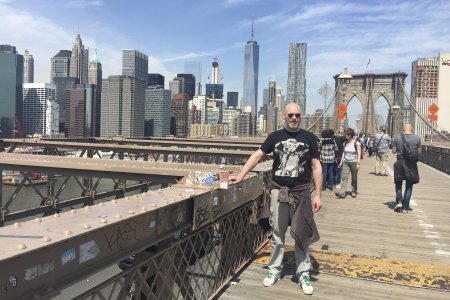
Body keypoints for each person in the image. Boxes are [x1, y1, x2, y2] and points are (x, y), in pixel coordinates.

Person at [229, 103, 322, 295]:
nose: (294, 118)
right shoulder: (275, 137)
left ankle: (303, 272)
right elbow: (257, 156)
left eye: (297, 115)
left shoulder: (310, 138)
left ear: (300, 116)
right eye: (291, 115)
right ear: (284, 116)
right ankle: (274, 270)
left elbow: (316, 166)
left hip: (302, 191)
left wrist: (318, 195)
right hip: (278, 191)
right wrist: (240, 176)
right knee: (277, 234)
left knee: (302, 234)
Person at [392, 124, 421, 213]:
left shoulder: (397, 138)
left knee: (398, 183)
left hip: (400, 162)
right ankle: (405, 208)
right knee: (409, 186)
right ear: (411, 129)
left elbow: (393, 151)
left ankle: (399, 202)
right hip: (411, 164)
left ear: (403, 129)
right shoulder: (417, 138)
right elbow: (419, 152)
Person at [335, 128, 361, 198]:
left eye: (345, 134)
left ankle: (353, 191)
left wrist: (358, 163)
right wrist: (341, 162)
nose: (344, 135)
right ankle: (342, 192)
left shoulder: (357, 143)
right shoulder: (345, 143)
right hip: (346, 162)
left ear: (349, 135)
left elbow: (359, 153)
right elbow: (344, 152)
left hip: (354, 162)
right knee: (344, 177)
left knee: (354, 178)